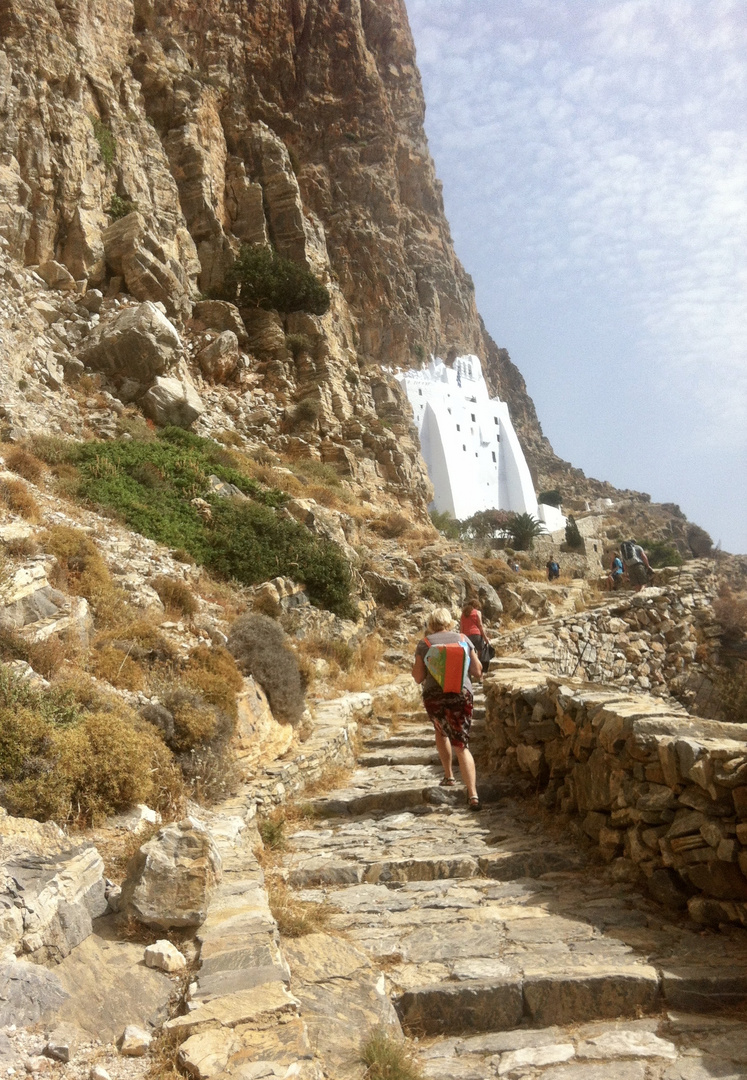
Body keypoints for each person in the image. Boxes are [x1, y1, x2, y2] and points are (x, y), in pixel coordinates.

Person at [412, 607, 483, 810]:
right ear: (450, 622)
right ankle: (473, 795)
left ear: (431, 624)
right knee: (461, 745)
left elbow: (418, 677)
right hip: (461, 695)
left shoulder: (424, 644)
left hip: (435, 697)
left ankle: (449, 776)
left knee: (440, 731)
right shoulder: (463, 639)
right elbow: (477, 671)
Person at [459, 598, 491, 666]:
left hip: (466, 636)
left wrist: (461, 639)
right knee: (480, 651)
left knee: (469, 652)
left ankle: (470, 667)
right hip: (476, 635)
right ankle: (479, 666)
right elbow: (480, 626)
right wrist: (485, 638)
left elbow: (461, 627)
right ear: (476, 606)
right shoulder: (477, 612)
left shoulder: (463, 614)